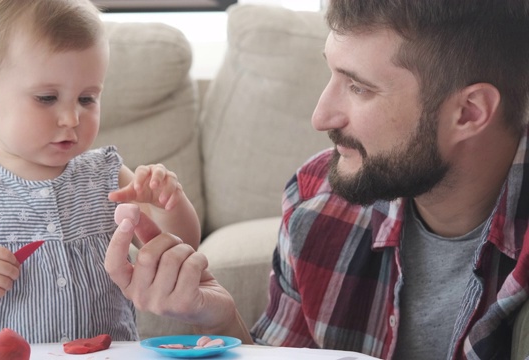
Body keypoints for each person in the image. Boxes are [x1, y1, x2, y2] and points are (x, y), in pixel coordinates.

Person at [104, 0, 529, 359]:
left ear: (470, 112)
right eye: (332, 73)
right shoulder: (317, 204)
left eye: (359, 87)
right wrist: (222, 322)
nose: (320, 116)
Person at [0, 0, 200, 350]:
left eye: (87, 98)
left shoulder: (109, 178)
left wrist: (167, 206)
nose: (71, 118)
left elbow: (180, 252)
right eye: (46, 97)